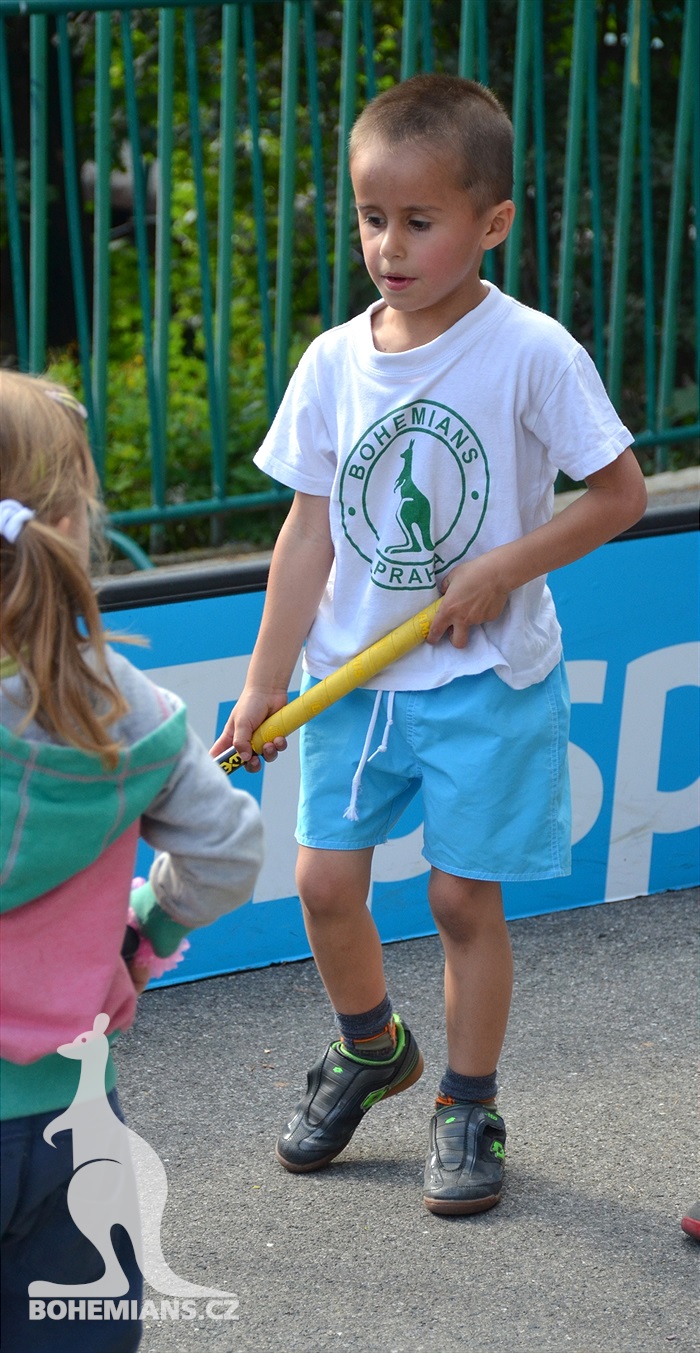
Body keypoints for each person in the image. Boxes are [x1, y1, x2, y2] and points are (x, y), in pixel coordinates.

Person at [212, 73, 647, 1217]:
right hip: (353, 680)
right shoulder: (331, 361)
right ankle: (370, 1048)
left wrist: (505, 568)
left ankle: (467, 1101)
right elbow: (307, 531)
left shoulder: (531, 351)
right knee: (322, 884)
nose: (388, 248)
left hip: (485, 680)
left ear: (492, 222)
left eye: (418, 220)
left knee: (460, 901)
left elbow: (618, 494)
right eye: (371, 218)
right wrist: (263, 683)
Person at [0, 370, 264, 1350]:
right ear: (75, 527)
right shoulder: (125, 705)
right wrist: (145, 934)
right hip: (74, 1119)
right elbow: (228, 850)